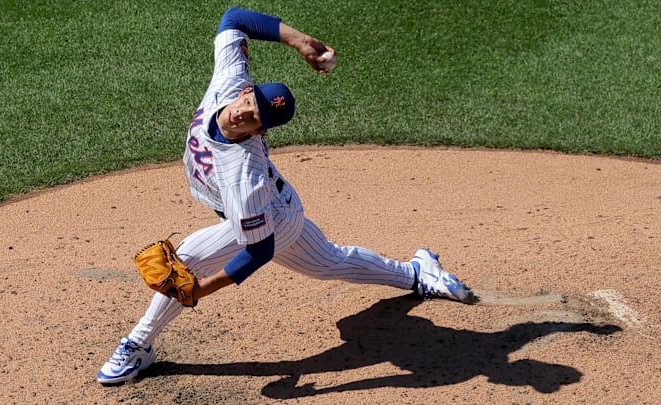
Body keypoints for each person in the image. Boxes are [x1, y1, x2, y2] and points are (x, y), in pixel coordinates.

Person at [97, 7, 474, 385]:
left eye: (253, 119)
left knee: (188, 263)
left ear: (260, 132)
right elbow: (233, 19)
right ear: (245, 91)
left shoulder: (245, 177)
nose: (241, 115)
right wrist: (299, 41)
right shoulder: (230, 82)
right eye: (248, 104)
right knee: (330, 263)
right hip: (275, 207)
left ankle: (138, 346)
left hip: (271, 219)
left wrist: (201, 290)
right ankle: (418, 272)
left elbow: (258, 251)